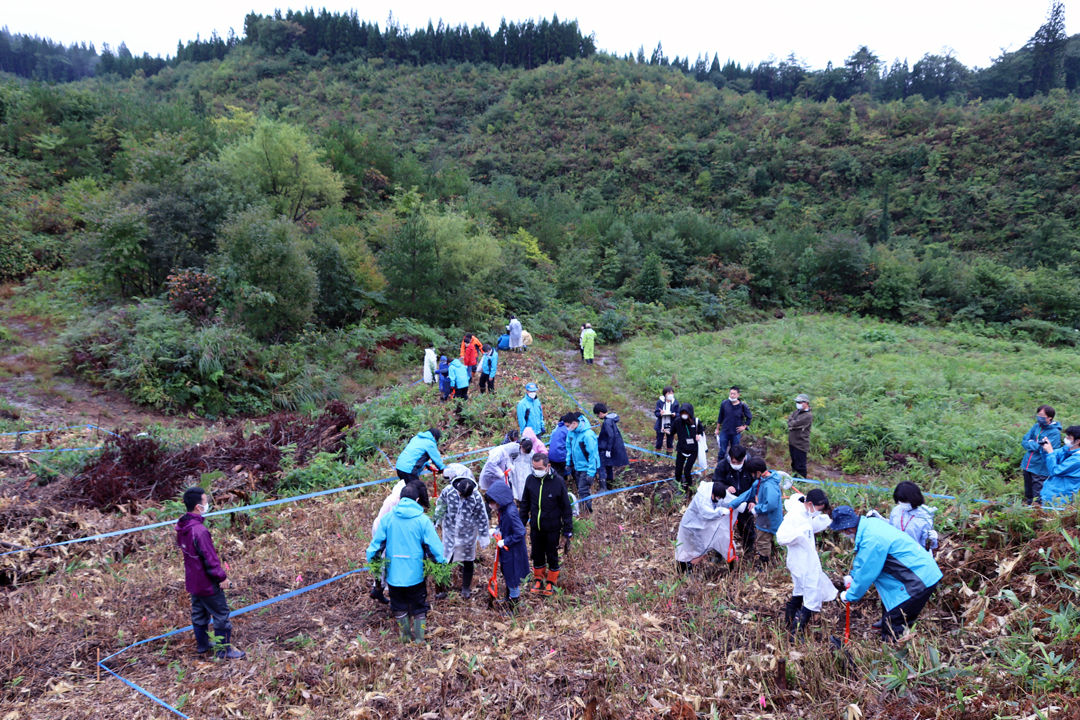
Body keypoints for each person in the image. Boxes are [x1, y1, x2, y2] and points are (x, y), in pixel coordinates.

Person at [830, 506, 943, 642]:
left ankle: (893, 654)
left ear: (847, 529)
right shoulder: (870, 525)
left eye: (842, 531)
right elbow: (864, 557)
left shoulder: (872, 539)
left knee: (894, 622)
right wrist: (853, 575)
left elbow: (868, 572)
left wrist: (850, 595)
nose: (843, 534)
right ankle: (890, 633)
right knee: (889, 608)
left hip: (919, 579)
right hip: (919, 571)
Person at [367, 484, 447, 643]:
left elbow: (376, 546)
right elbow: (434, 547)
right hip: (416, 573)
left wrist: (373, 562)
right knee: (419, 607)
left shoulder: (387, 518)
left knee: (398, 606)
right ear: (417, 500)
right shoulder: (423, 520)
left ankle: (405, 636)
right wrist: (441, 565)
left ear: (400, 498)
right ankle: (419, 638)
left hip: (394, 574)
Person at [177, 487, 245, 659]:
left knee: (199, 613)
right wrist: (222, 578)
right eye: (206, 502)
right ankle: (224, 650)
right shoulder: (199, 531)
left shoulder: (182, 526)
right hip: (207, 583)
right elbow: (210, 558)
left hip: (193, 581)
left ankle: (203, 645)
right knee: (221, 614)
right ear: (198, 507)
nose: (208, 505)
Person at [775, 489, 835, 636]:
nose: (817, 512)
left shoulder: (805, 513)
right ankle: (796, 632)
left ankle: (789, 623)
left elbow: (809, 528)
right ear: (809, 503)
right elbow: (781, 538)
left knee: (800, 591)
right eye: (818, 509)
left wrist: (825, 521)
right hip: (800, 562)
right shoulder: (794, 516)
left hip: (805, 560)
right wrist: (801, 530)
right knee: (811, 595)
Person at [433, 465, 490, 600]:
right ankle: (442, 587)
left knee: (468, 560)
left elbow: (481, 517)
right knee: (446, 558)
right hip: (450, 532)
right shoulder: (448, 491)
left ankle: (465, 589)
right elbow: (440, 506)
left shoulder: (476, 497)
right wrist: (436, 521)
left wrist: (483, 535)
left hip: (467, 534)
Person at [520, 453, 574, 596]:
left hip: (552, 528)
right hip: (536, 527)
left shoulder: (558, 482)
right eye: (534, 467)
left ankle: (551, 582)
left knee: (551, 554)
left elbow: (565, 507)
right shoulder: (530, 480)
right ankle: (538, 579)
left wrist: (568, 528)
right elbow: (525, 504)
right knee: (537, 554)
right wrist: (521, 524)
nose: (536, 470)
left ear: (548, 466)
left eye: (539, 468)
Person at [723, 457, 781, 567]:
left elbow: (771, 505)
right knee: (767, 539)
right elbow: (748, 493)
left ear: (758, 472)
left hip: (768, 520)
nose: (752, 475)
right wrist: (733, 504)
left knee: (762, 541)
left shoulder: (769, 485)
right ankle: (774, 556)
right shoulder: (760, 482)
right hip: (763, 518)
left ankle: (764, 564)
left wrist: (757, 508)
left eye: (752, 473)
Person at [675, 481, 742, 574]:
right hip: (690, 528)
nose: (718, 500)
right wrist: (720, 512)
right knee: (689, 549)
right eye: (717, 497)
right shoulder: (702, 498)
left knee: (702, 549)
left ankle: (689, 568)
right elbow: (707, 513)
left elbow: (727, 499)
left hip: (701, 527)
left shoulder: (713, 492)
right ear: (713, 494)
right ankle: (685, 569)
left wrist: (740, 504)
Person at [484, 481, 529, 614]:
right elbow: (507, 526)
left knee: (512, 577)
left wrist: (506, 541)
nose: (491, 505)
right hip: (507, 551)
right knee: (507, 573)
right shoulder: (504, 509)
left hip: (513, 551)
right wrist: (498, 530)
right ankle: (508, 598)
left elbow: (520, 532)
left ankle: (514, 609)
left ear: (499, 500)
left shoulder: (510, 512)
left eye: (492, 502)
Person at [713, 444, 756, 553]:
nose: (736, 465)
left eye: (739, 463)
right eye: (733, 462)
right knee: (722, 527)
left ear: (744, 458)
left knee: (747, 525)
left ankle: (748, 548)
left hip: (745, 501)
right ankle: (719, 552)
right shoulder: (723, 465)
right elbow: (717, 481)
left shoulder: (750, 466)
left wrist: (752, 500)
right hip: (727, 501)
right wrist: (726, 488)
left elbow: (755, 485)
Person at [1020, 405, 1061, 505]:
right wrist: (1036, 443)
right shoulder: (1036, 426)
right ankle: (1029, 507)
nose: (1039, 417)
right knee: (1028, 489)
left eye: (1042, 415)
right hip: (1028, 464)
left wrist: (1033, 442)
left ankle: (1037, 510)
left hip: (1040, 466)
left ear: (1049, 417)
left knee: (1038, 491)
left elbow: (1043, 448)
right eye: (1038, 414)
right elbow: (1024, 441)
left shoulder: (1054, 432)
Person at [562, 412, 600, 513]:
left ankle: (587, 511)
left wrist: (591, 473)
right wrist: (568, 463)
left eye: (567, 426)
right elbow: (569, 448)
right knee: (580, 488)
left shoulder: (588, 435)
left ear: (574, 423)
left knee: (583, 489)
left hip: (586, 467)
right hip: (577, 465)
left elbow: (593, 455)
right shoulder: (572, 433)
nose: (567, 428)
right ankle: (584, 508)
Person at [888, 481, 939, 553]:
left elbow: (926, 545)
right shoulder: (897, 510)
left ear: (914, 499)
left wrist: (932, 540)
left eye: (906, 502)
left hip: (917, 554)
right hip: (897, 551)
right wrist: (878, 518)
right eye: (900, 501)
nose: (903, 504)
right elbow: (891, 527)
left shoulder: (924, 516)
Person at [1039, 425, 1080, 507]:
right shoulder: (1066, 450)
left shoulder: (1077, 459)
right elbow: (1048, 459)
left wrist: (1050, 452)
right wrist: (1045, 450)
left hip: (1062, 497)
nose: (1066, 439)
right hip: (1050, 493)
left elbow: (1054, 471)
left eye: (1069, 437)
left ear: (1077, 441)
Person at [672, 403, 706, 497]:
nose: (684, 415)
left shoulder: (696, 422)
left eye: (686, 413)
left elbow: (701, 432)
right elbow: (671, 431)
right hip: (681, 449)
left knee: (687, 471)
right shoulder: (677, 421)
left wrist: (699, 436)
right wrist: (665, 431)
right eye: (682, 412)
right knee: (678, 471)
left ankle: (689, 488)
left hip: (693, 450)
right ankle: (679, 486)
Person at [594, 403, 628, 491]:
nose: (598, 417)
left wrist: (608, 449)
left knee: (601, 466)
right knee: (608, 466)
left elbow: (610, 435)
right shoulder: (611, 419)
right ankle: (610, 485)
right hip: (608, 447)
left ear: (600, 413)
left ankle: (603, 487)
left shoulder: (607, 422)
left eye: (597, 415)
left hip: (605, 448)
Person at [714, 386, 752, 460]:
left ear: (738, 395)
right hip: (725, 431)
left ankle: (732, 466)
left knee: (734, 451)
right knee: (722, 450)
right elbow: (720, 417)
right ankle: (720, 466)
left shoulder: (743, 406)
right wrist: (717, 429)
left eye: (734, 394)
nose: (732, 395)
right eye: (731, 393)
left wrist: (744, 427)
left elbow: (749, 417)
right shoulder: (724, 404)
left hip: (736, 433)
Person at [787, 393, 813, 478]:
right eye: (797, 402)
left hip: (800, 444)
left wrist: (792, 421)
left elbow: (794, 424)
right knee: (794, 465)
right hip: (793, 443)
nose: (798, 404)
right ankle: (795, 482)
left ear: (806, 403)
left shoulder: (808, 415)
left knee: (800, 467)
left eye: (800, 402)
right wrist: (791, 421)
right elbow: (789, 419)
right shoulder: (797, 411)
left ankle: (801, 484)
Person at [654, 387, 679, 453]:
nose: (671, 394)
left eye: (672, 393)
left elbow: (679, 413)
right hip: (661, 424)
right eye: (669, 393)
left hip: (671, 424)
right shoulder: (660, 402)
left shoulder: (675, 402)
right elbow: (656, 413)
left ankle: (669, 456)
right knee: (659, 441)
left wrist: (675, 415)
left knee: (670, 441)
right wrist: (660, 413)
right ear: (665, 394)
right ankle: (658, 455)